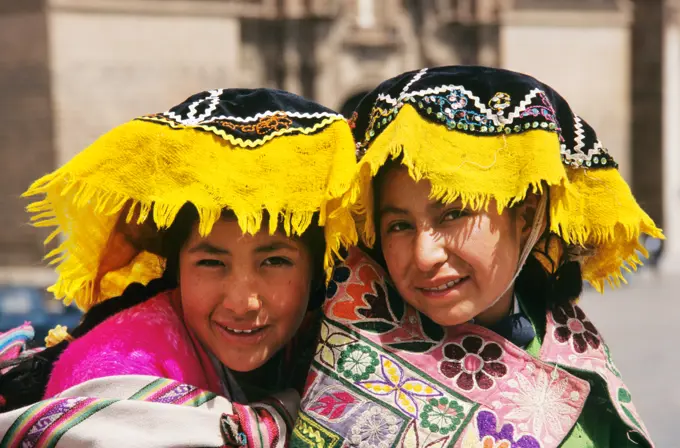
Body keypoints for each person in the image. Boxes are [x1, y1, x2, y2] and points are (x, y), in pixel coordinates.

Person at [292, 66, 660, 447]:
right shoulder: (339, 353)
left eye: (453, 214)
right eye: (399, 226)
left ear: (527, 216)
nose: (424, 256)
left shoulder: (579, 359)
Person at [0, 88, 357, 446]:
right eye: (211, 263)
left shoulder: (333, 341)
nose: (241, 302)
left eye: (275, 261)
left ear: (318, 271)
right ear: (176, 270)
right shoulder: (115, 371)